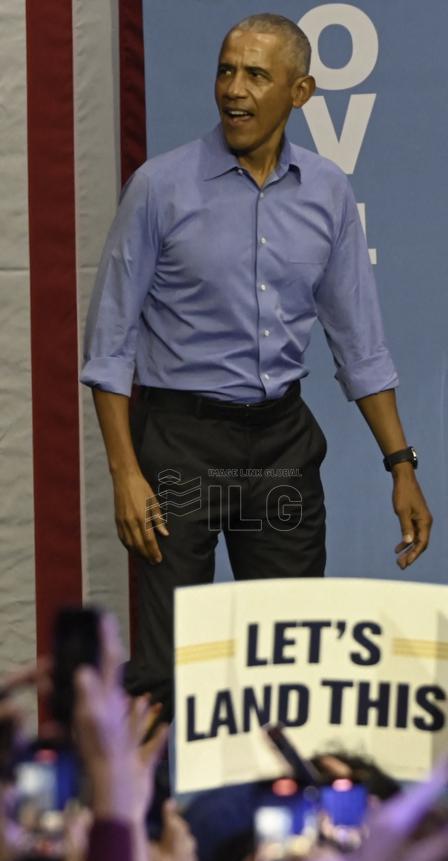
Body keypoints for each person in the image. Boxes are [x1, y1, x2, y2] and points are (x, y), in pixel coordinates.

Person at [81, 13, 432, 717]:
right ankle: (160, 826)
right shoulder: (159, 187)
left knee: (288, 663)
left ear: (299, 92)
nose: (233, 90)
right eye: (225, 70)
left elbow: (359, 346)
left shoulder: (328, 193)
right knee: (168, 672)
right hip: (177, 445)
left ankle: (272, 823)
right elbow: (110, 347)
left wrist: (402, 466)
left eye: (256, 75)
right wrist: (125, 472)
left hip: (281, 447)